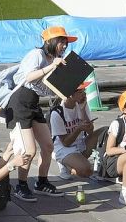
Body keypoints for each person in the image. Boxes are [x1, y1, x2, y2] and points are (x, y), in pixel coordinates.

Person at [5, 25, 75, 201]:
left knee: (48, 146)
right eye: (61, 42)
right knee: (29, 149)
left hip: (33, 102)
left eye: (66, 42)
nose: (64, 46)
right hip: (20, 102)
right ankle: (20, 185)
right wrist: (51, 66)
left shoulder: (55, 59)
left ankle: (41, 182)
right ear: (50, 42)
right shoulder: (37, 55)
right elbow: (29, 77)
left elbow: (48, 88)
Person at [49, 82, 109, 179]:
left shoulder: (82, 105)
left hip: (80, 143)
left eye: (84, 91)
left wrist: (82, 110)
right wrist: (78, 129)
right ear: (70, 95)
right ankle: (65, 163)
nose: (84, 94)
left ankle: (103, 164)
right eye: (80, 92)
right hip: (63, 148)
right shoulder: (57, 113)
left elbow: (90, 131)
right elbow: (65, 143)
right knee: (86, 171)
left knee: (106, 131)